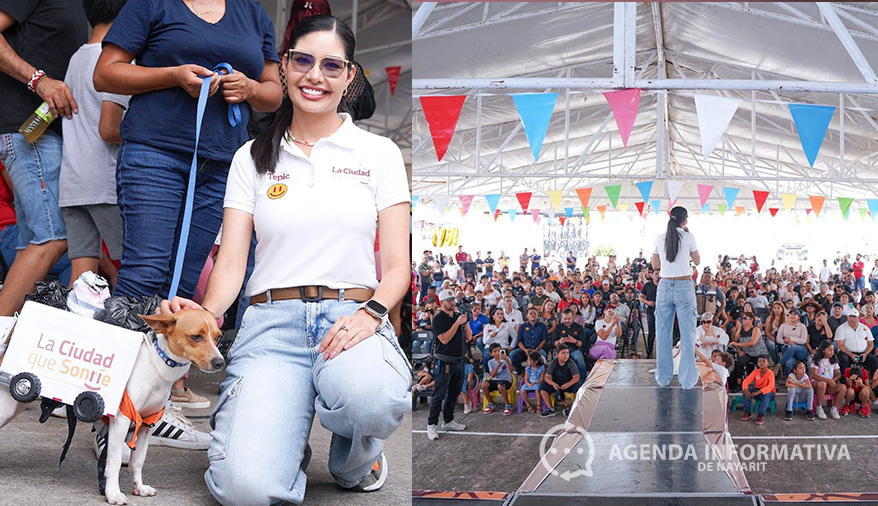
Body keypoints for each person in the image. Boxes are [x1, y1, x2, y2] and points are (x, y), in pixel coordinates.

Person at [157, 15, 409, 501]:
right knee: (244, 489)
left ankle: (356, 460)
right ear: (286, 66)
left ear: (349, 76)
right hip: (272, 326)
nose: (316, 75)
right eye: (303, 61)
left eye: (331, 65)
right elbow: (231, 262)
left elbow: (397, 265)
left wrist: (372, 314)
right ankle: (282, 444)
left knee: (369, 399)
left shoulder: (379, 154)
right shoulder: (250, 158)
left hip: (351, 317)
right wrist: (205, 312)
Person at [0, 1, 87, 316]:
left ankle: (10, 346)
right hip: (28, 129)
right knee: (52, 239)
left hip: (43, 130)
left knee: (34, 243)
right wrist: (39, 80)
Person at [59, 0, 128, 291]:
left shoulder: (77, 58)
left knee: (82, 280)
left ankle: (76, 332)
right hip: (105, 182)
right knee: (135, 267)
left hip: (73, 182)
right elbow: (110, 129)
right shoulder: (117, 61)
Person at [652, 206, 700, 389]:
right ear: (684, 221)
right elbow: (697, 261)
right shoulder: (688, 237)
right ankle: (687, 381)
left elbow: (655, 264)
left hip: (664, 285)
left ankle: (663, 378)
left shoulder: (659, 238)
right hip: (683, 286)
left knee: (663, 333)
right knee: (688, 334)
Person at [729, 312, 769, 392]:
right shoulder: (740, 331)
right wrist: (739, 350)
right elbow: (734, 342)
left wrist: (737, 344)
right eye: (742, 318)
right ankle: (739, 384)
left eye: (745, 318)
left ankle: (762, 383)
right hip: (747, 353)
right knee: (740, 362)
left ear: (751, 319)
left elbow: (752, 343)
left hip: (759, 352)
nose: (743, 320)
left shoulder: (756, 329)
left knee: (761, 363)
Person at [835, 306, 878, 378]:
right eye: (850, 316)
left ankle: (874, 382)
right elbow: (840, 345)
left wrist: (865, 353)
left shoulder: (865, 328)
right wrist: (851, 354)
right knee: (843, 359)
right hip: (847, 353)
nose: (852, 318)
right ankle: (844, 380)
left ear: (858, 318)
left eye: (854, 317)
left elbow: (870, 343)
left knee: (874, 360)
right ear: (847, 317)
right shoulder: (841, 328)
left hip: (863, 353)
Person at [539, 344, 580, 417]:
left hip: (568, 383)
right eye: (563, 353)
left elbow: (576, 377)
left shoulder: (571, 363)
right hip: (556, 384)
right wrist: (553, 384)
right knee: (543, 388)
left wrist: (568, 384)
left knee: (579, 389)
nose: (566, 355)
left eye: (567, 353)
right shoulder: (553, 363)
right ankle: (550, 409)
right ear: (557, 354)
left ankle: (572, 408)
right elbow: (547, 377)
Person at [811, 340, 846, 420]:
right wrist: (827, 380)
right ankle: (819, 407)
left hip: (829, 385)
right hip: (818, 384)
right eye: (829, 350)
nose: (832, 352)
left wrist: (833, 380)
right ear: (823, 350)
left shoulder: (833, 360)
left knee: (843, 388)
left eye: (833, 350)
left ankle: (834, 408)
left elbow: (838, 374)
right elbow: (813, 375)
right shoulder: (816, 360)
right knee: (822, 384)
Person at [551, 308, 587, 386]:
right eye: (565, 319)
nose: (567, 321)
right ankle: (555, 382)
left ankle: (582, 382)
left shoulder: (579, 327)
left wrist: (574, 341)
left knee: (580, 360)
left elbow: (583, 344)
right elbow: (553, 343)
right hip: (561, 350)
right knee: (555, 362)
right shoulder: (558, 327)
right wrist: (559, 342)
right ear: (562, 318)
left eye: (569, 319)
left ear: (573, 317)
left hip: (574, 349)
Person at [509, 307, 548, 375]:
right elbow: (519, 341)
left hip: (538, 350)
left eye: (534, 313)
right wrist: (525, 350)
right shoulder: (522, 327)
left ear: (537, 315)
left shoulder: (542, 326)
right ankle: (521, 372)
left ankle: (539, 375)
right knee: (512, 355)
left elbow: (544, 340)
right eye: (531, 313)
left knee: (543, 356)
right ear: (527, 316)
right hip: (525, 350)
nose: (533, 315)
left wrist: (536, 349)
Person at [740, 355, 775, 426]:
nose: (761, 363)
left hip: (769, 393)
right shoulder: (755, 372)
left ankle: (760, 415)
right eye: (759, 361)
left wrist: (758, 392)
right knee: (747, 389)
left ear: (768, 363)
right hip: (757, 391)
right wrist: (745, 389)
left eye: (764, 361)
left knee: (767, 393)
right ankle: (747, 412)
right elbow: (746, 381)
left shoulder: (770, 373)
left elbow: (770, 386)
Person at [481, 343, 514, 415]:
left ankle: (508, 404)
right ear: (491, 354)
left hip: (506, 380)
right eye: (495, 351)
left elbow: (511, 370)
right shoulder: (490, 362)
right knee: (484, 384)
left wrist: (506, 360)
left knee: (500, 386)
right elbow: (493, 375)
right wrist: (497, 365)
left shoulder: (506, 359)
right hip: (495, 380)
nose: (497, 353)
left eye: (499, 350)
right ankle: (490, 403)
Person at [777, 311, 810, 377]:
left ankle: (778, 365)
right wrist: (786, 341)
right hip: (787, 348)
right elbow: (778, 339)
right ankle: (789, 380)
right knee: (788, 363)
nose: (792, 316)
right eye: (791, 314)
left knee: (793, 347)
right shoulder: (783, 326)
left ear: (798, 317)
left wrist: (791, 339)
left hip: (800, 349)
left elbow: (804, 340)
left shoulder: (802, 326)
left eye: (795, 314)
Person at [639, 268, 658, 358]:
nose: (658, 276)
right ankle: (649, 353)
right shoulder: (647, 285)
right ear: (652, 275)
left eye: (659, 274)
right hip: (651, 311)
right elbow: (641, 297)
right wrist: (648, 302)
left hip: (663, 312)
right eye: (656, 274)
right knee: (651, 332)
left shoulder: (664, 285)